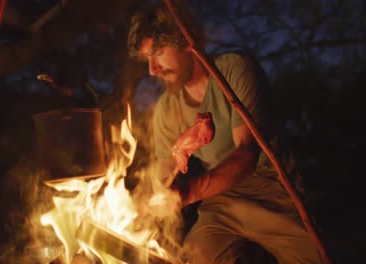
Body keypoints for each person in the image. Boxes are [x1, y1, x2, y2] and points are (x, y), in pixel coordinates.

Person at [127, 3, 321, 264]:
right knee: (197, 256)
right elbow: (164, 171)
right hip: (221, 200)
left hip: (273, 187)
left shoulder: (234, 70)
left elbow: (246, 157)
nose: (152, 69)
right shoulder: (167, 108)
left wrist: (185, 194)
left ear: (186, 41)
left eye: (158, 53)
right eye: (147, 59)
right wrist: (142, 204)